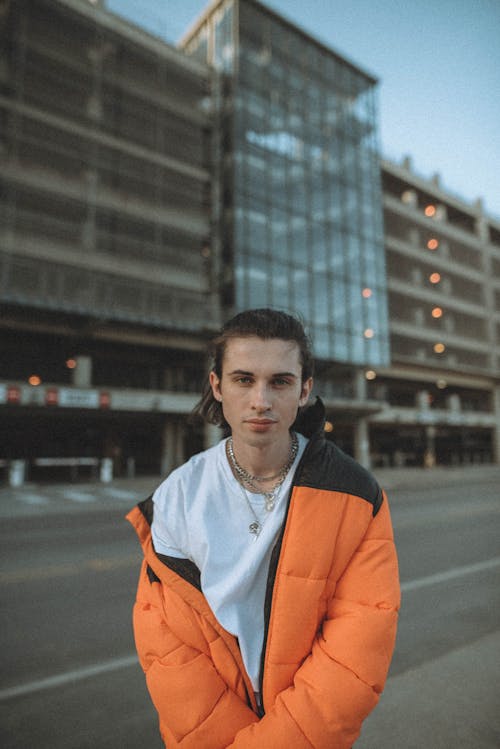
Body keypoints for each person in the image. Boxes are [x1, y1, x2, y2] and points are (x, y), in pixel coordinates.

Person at [127, 308, 400, 748]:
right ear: (217, 386)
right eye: (243, 379)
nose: (261, 400)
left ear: (304, 390)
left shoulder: (355, 493)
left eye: (280, 381)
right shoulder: (177, 496)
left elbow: (357, 650)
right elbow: (168, 651)